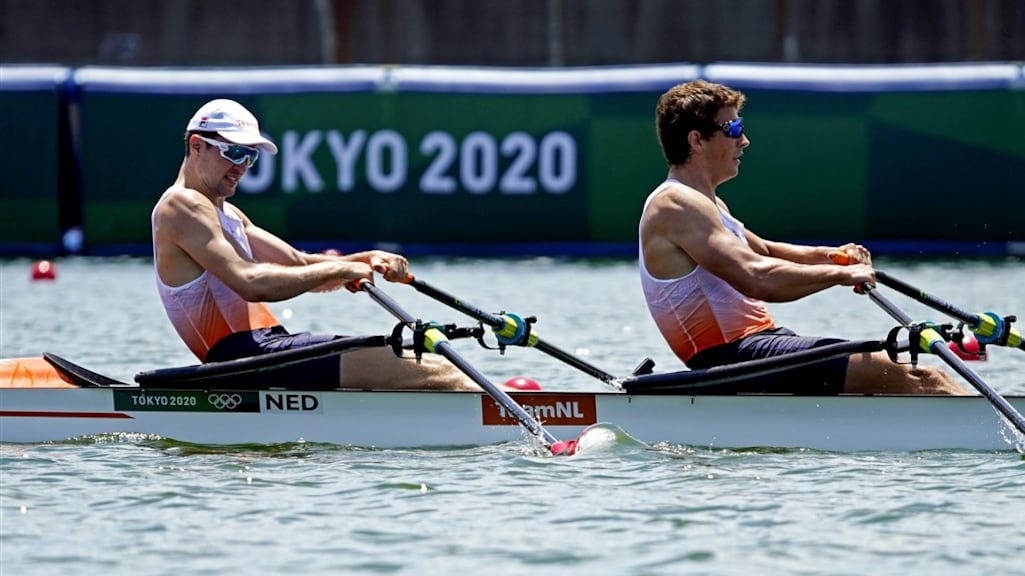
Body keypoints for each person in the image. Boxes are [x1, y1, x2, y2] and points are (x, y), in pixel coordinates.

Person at [638, 80, 964, 395]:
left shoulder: (707, 203)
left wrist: (834, 256)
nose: (744, 140)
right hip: (731, 357)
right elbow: (756, 276)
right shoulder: (675, 204)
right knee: (924, 379)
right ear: (696, 140)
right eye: (733, 129)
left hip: (758, 345)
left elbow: (765, 251)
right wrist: (840, 275)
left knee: (906, 374)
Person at [151, 98, 478, 390]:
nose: (242, 167)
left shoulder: (227, 214)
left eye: (250, 156)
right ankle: (498, 420)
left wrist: (366, 260)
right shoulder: (182, 205)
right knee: (439, 372)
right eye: (234, 152)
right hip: (241, 360)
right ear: (197, 146)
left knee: (423, 363)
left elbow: (299, 264)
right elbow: (250, 282)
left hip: (269, 349)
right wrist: (341, 270)